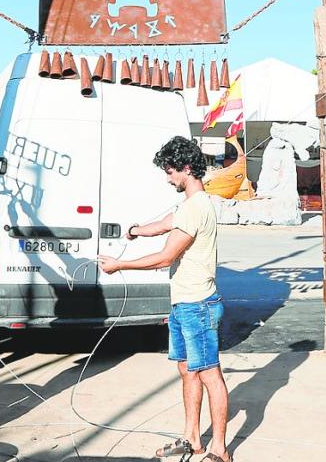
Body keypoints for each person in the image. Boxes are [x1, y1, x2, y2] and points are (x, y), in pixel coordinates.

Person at [97, 136, 231, 462]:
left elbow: (165, 257)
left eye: (170, 170)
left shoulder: (197, 207)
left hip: (199, 305)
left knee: (210, 375)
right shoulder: (189, 206)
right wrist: (135, 230)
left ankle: (220, 450)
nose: (167, 176)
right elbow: (163, 226)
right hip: (184, 305)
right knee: (187, 371)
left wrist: (119, 265)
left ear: (186, 167)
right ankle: (192, 439)